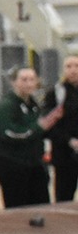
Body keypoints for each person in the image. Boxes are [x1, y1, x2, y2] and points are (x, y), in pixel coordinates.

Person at [0, 65, 60, 208]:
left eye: (32, 79)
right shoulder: (8, 104)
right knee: (17, 208)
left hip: (34, 163)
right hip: (14, 164)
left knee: (41, 206)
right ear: (14, 82)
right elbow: (9, 132)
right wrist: (37, 128)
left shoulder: (33, 104)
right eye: (24, 79)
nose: (29, 83)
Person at [51, 54, 78, 202]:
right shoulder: (56, 93)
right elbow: (49, 124)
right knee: (64, 195)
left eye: (76, 66)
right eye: (69, 66)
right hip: (64, 153)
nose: (73, 70)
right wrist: (69, 140)